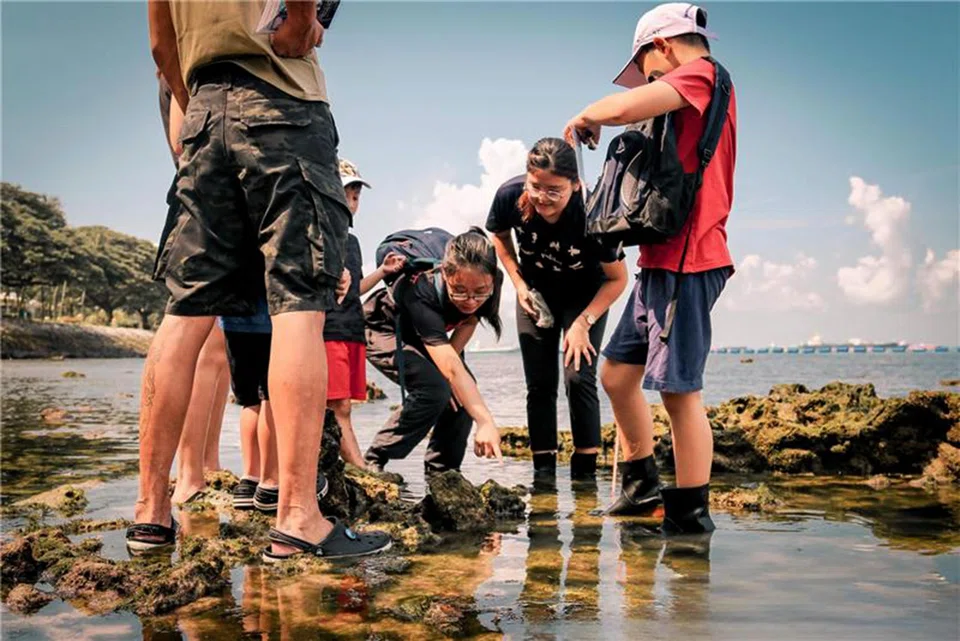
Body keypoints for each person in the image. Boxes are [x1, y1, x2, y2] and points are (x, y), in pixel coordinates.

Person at [131, 0, 390, 561]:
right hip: (281, 101)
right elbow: (296, 24)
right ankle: (298, 516)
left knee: (184, 311)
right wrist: (300, 18)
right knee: (300, 302)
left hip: (199, 113)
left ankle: (151, 514)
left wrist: (196, 102)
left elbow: (159, 45)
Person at [564, 2, 737, 533]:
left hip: (690, 261)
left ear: (662, 45)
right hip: (659, 264)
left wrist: (587, 114)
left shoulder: (703, 75)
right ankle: (641, 488)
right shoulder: (685, 90)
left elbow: (622, 109)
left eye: (647, 70)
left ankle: (691, 514)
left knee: (680, 393)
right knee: (617, 375)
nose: (646, 82)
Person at [486, 138, 627, 482]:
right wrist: (520, 286)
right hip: (536, 292)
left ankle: (585, 479)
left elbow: (618, 280)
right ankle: (544, 479)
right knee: (540, 383)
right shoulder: (510, 196)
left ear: (575, 185)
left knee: (578, 377)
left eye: (555, 191)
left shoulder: (595, 213)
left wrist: (583, 323)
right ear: (526, 178)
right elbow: (499, 236)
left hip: (586, 294)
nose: (543, 198)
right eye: (536, 187)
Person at [363, 228, 505, 474]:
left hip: (431, 336)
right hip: (384, 328)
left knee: (462, 392)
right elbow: (450, 366)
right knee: (435, 389)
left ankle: (442, 471)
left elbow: (469, 321)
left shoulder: (491, 282)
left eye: (480, 292)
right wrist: (485, 421)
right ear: (445, 274)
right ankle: (375, 457)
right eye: (459, 290)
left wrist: (453, 373)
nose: (470, 300)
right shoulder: (421, 287)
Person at [157, 72, 231, 506]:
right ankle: (188, 471)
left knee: (220, 350)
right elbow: (184, 149)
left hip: (216, 203)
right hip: (206, 204)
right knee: (204, 342)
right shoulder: (185, 69)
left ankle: (208, 459)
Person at [324, 159, 406, 467]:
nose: (352, 203)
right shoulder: (321, 235)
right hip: (328, 330)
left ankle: (340, 465)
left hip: (351, 330)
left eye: (356, 197)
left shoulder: (352, 241)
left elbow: (354, 288)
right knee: (338, 405)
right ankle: (359, 467)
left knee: (342, 404)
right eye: (346, 193)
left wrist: (383, 272)